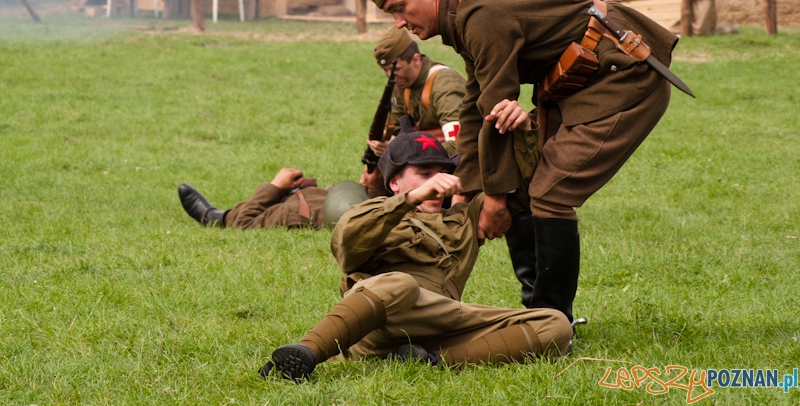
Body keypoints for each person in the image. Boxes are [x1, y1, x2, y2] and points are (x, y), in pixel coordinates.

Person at [358, 0, 679, 324]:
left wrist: (494, 198)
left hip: (624, 77)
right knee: (528, 187)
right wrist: (465, 183)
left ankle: (552, 320)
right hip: (582, 81)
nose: (399, 23)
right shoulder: (467, 15)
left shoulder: (480, 15)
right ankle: (539, 311)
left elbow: (498, 114)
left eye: (399, 7)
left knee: (550, 193)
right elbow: (475, 107)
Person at [261, 114, 570, 381]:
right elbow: (347, 244)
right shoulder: (375, 211)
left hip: (442, 320)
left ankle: (430, 359)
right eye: (424, 174)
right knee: (400, 283)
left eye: (442, 172)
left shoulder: (465, 216)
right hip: (381, 322)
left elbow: (530, 188)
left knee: (554, 323)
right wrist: (412, 198)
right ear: (395, 182)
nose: (437, 182)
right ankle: (306, 353)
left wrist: (522, 130)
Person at [360, 27, 466, 196]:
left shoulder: (445, 85)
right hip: (432, 162)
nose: (390, 76)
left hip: (463, 164)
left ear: (416, 59)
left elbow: (460, 144)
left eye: (395, 69)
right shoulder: (401, 83)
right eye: (385, 70)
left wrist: (400, 153)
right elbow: (395, 130)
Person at [177, 168, 366, 229]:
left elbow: (246, 222)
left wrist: (275, 186)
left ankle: (219, 218)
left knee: (246, 217)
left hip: (321, 210)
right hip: (337, 202)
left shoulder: (296, 214)